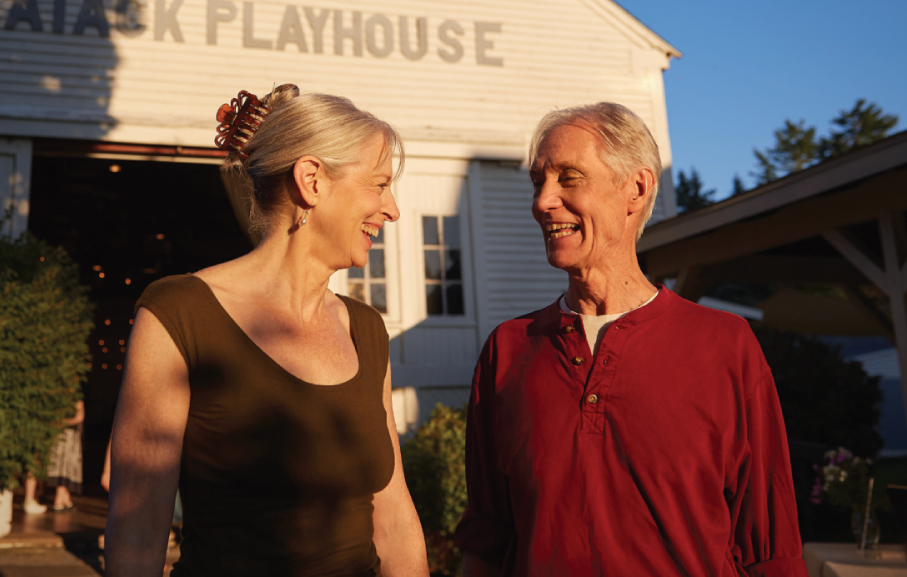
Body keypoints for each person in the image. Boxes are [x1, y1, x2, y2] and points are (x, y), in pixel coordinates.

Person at [455, 103, 806, 576]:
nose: (543, 201)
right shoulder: (508, 349)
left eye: (569, 177)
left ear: (635, 190)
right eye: (539, 181)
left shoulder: (724, 345)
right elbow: (486, 541)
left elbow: (770, 545)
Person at [105, 84, 428, 577]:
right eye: (379, 184)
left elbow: (394, 518)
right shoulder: (180, 313)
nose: (393, 209)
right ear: (312, 181)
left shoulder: (366, 329)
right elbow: (140, 526)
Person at [46, 400, 84, 511]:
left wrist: (62, 422)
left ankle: (66, 499)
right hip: (60, 435)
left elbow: (79, 417)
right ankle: (59, 499)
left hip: (70, 435)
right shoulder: (60, 398)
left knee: (68, 465)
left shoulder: (76, 399)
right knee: (62, 465)